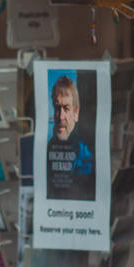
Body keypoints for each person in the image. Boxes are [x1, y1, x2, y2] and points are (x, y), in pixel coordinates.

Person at [46, 73, 96, 201]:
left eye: (66, 109)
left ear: (76, 113)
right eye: (57, 108)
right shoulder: (49, 146)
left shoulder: (86, 151)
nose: (60, 116)